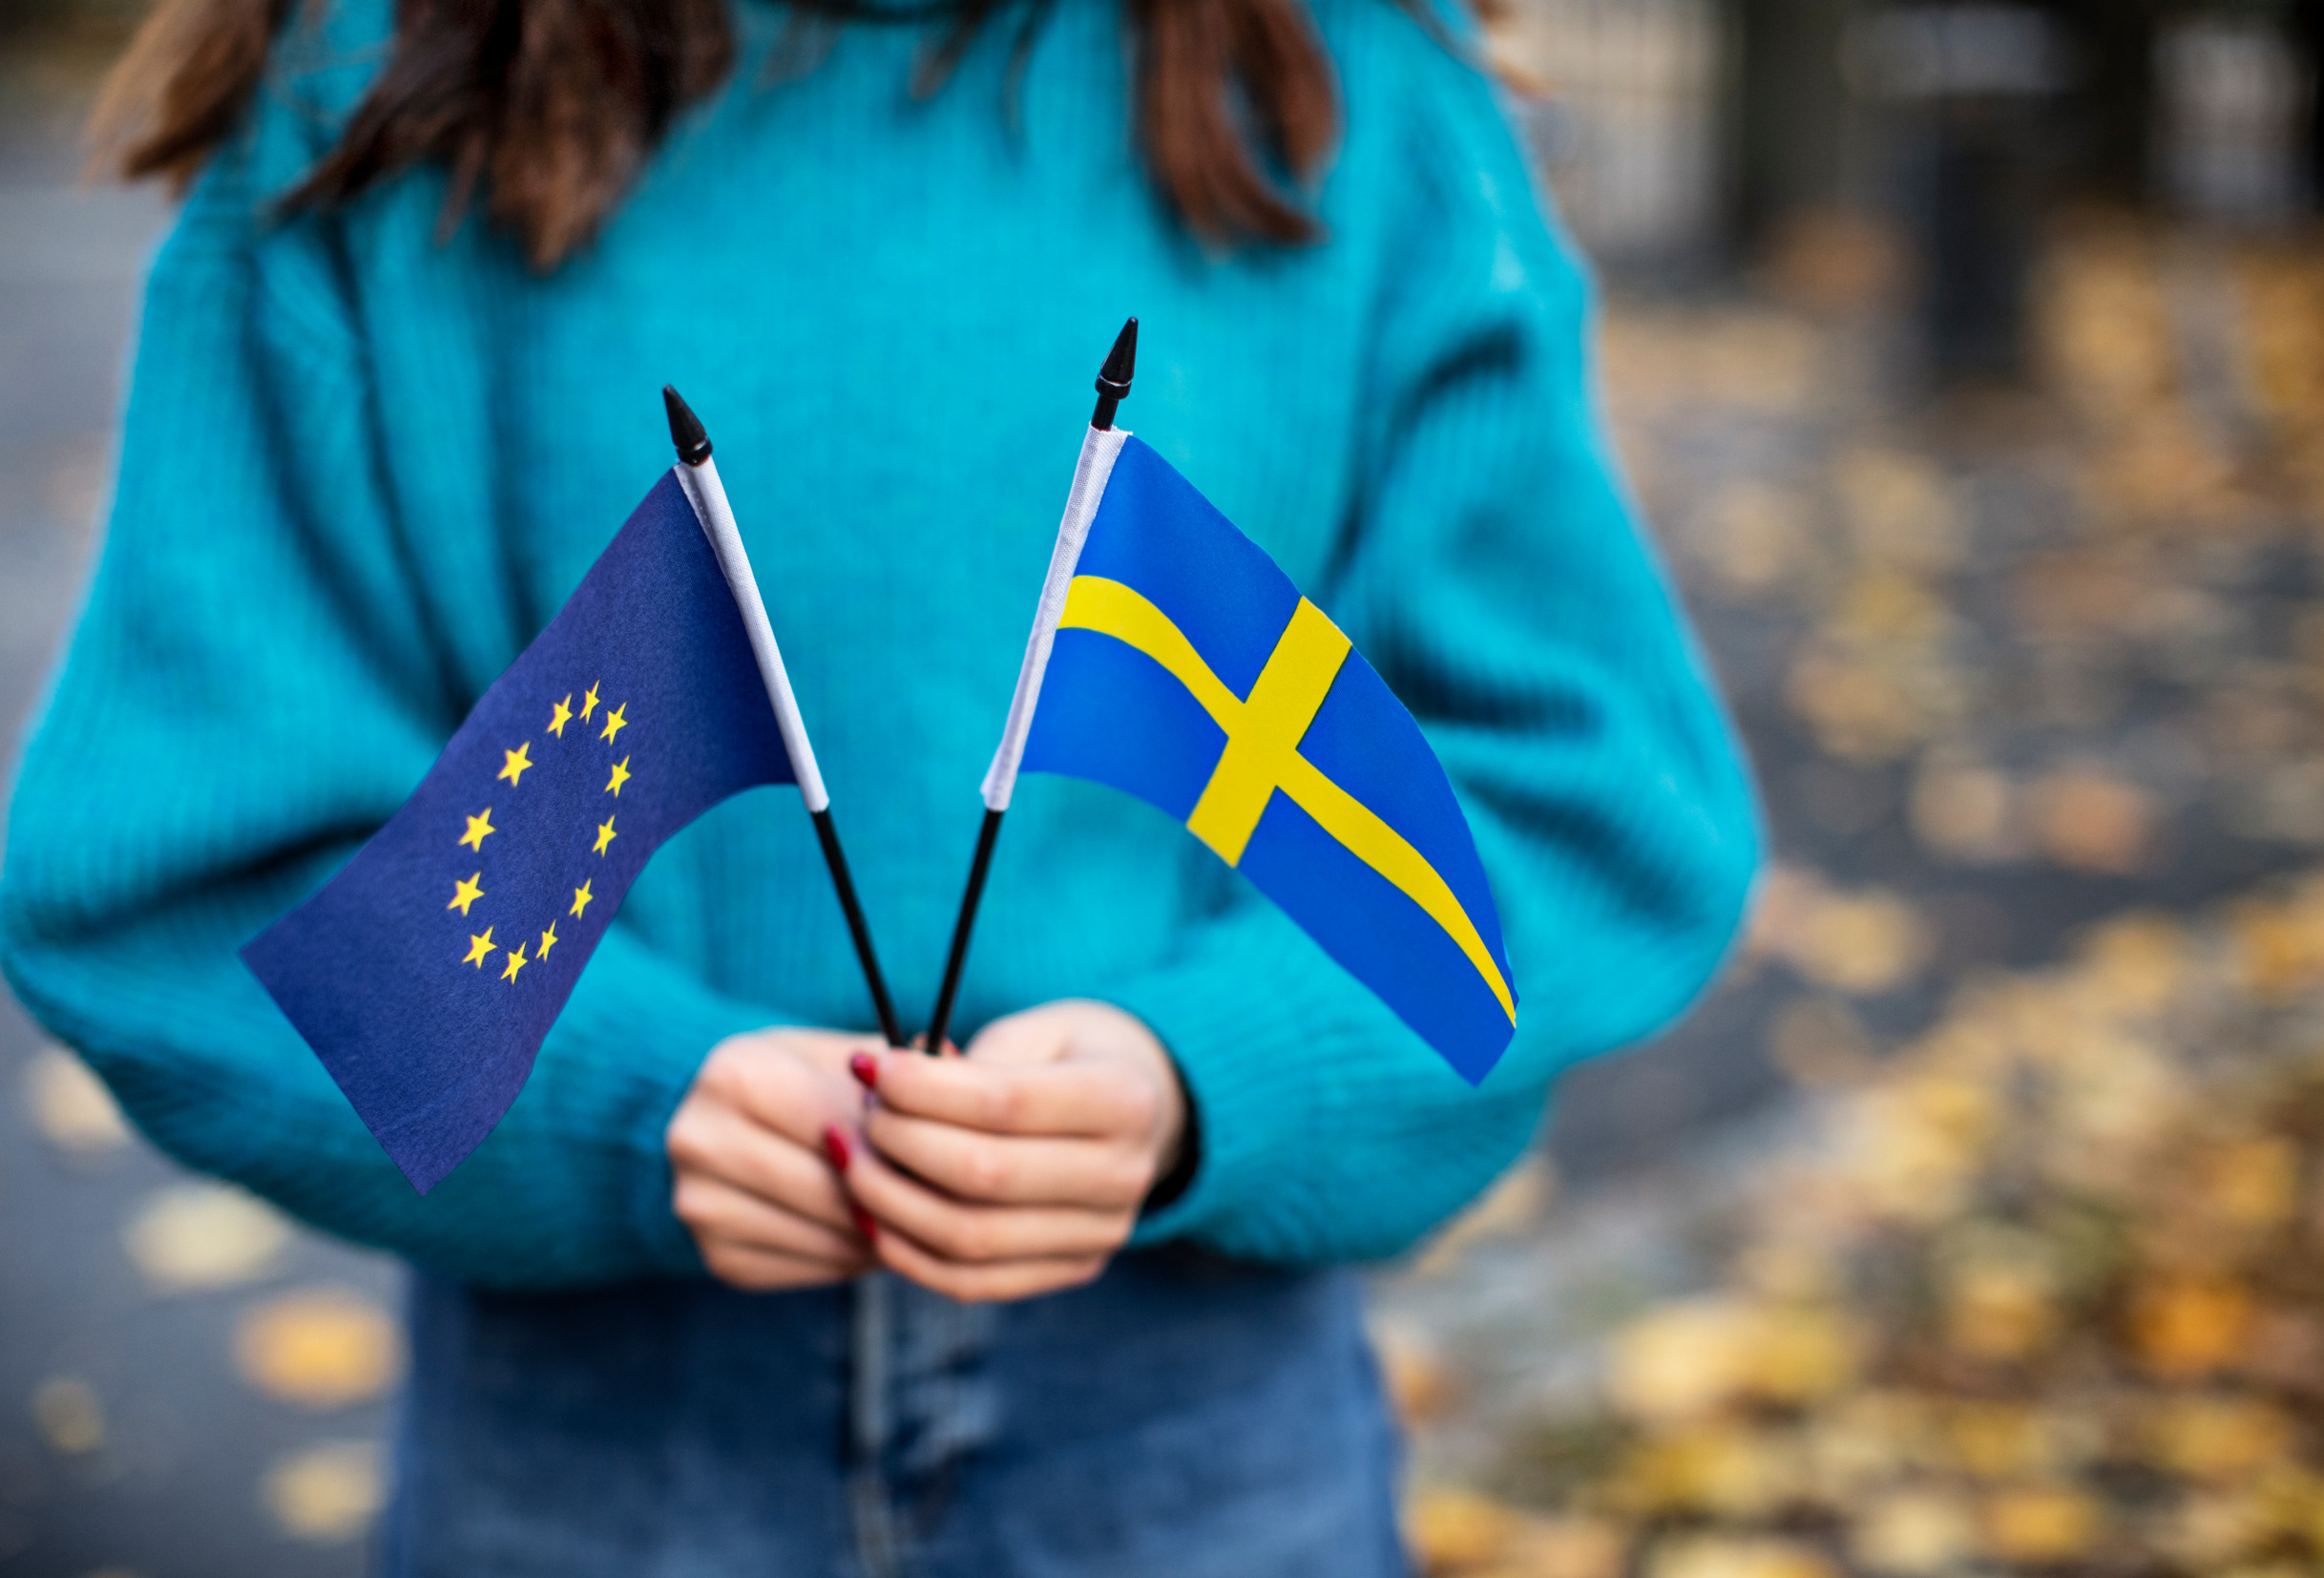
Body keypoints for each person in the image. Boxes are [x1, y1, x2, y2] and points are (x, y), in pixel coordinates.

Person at [0, 0, 1760, 1567]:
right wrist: (619, 1098)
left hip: (1204, 1436)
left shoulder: (1354, 77)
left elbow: (1582, 806)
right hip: (587, 1450)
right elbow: (183, 884)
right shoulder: (365, 82)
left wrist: (1207, 1073)